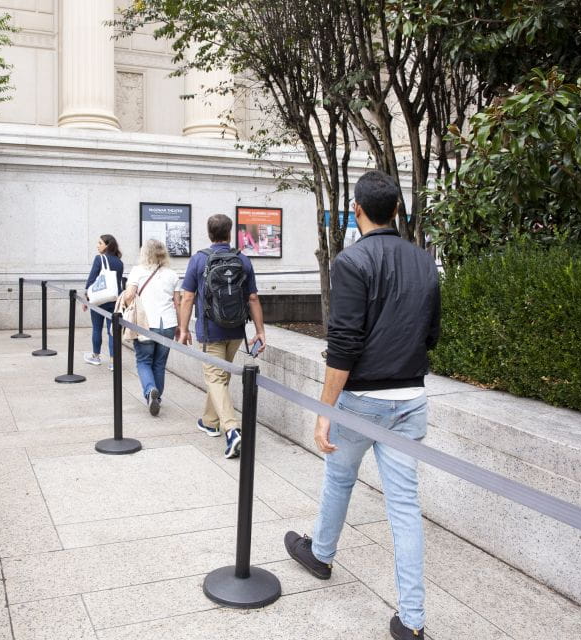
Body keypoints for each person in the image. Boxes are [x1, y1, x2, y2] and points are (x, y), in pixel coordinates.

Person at [283, 171, 440, 640]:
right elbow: (432, 334)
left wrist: (324, 411)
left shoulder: (350, 261)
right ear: (396, 211)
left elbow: (343, 344)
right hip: (411, 398)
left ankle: (322, 554)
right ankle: (411, 622)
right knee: (406, 508)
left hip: (361, 400)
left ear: (356, 210)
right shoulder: (424, 262)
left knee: (338, 476)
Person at [177, 214, 266, 459]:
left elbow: (187, 297)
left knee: (215, 378)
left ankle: (231, 430)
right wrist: (260, 331)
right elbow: (253, 298)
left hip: (210, 330)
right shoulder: (242, 260)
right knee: (220, 376)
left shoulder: (199, 260)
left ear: (209, 233)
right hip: (236, 330)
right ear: (230, 232)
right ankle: (209, 420)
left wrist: (184, 329)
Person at [122, 238, 181, 416]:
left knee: (143, 361)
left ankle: (150, 391)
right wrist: (180, 326)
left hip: (145, 324)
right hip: (168, 324)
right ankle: (158, 397)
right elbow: (177, 303)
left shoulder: (138, 271)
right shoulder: (172, 274)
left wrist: (125, 298)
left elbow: (129, 296)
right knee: (160, 363)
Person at [84, 234, 124, 370]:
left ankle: (96, 356)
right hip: (114, 300)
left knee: (97, 328)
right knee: (112, 331)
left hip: (98, 299)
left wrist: (87, 297)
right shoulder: (119, 262)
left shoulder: (99, 259)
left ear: (107, 245)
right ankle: (114, 361)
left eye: (100, 243)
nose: (97, 245)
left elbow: (92, 280)